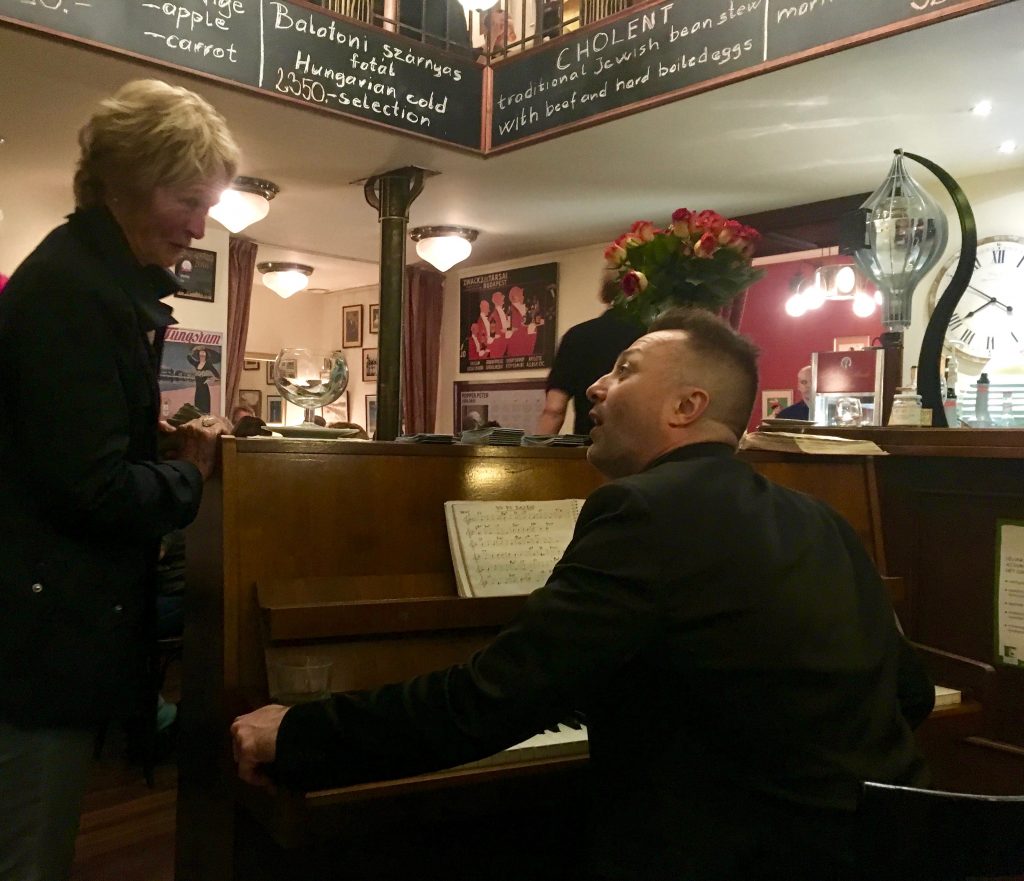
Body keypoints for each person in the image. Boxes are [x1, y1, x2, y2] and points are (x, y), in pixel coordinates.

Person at [232, 308, 933, 880]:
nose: (594, 386)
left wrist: (298, 731)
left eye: (625, 370)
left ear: (688, 406)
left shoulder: (643, 510)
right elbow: (912, 694)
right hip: (883, 846)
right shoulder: (822, 517)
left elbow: (490, 701)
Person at [0, 78, 239, 880]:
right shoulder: (77, 292)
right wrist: (187, 473)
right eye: (190, 200)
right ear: (128, 182)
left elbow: (67, 449)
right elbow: (91, 491)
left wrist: (148, 444)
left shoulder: (83, 278)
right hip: (37, 646)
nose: (200, 228)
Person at [536, 277, 641, 435]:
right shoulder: (653, 335)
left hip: (589, 446)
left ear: (607, 292)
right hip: (644, 450)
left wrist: (537, 456)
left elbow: (554, 410)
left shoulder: (577, 336)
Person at [187, 345, 220, 414]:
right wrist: (194, 349)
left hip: (204, 391)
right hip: (198, 390)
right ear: (198, 356)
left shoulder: (208, 364)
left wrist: (209, 380)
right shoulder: (197, 364)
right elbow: (189, 357)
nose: (202, 357)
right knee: (197, 410)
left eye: (203, 355)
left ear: (206, 356)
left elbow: (217, 376)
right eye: (200, 355)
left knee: (204, 410)